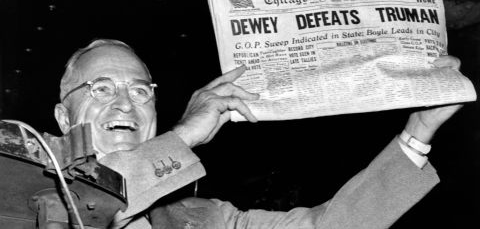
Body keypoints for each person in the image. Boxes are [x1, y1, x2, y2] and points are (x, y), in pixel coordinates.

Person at [54, 39, 463, 229]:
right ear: (62, 116)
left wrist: (418, 130)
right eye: (101, 89)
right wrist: (182, 138)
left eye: (140, 91)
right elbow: (89, 209)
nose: (125, 104)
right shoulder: (16, 181)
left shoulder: (201, 218)